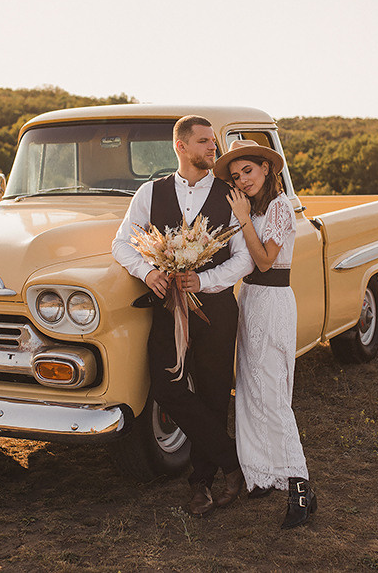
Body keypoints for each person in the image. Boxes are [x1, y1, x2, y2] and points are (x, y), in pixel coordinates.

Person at [111, 115, 253, 517]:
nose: (213, 147)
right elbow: (121, 244)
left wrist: (204, 280)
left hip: (216, 310)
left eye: (213, 141)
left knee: (213, 393)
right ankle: (232, 461)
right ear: (182, 146)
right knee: (167, 387)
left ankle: (202, 484)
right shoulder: (150, 192)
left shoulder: (230, 195)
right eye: (205, 141)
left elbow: (244, 258)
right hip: (167, 308)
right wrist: (148, 272)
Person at [212, 139, 317, 529]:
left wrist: (242, 219)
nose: (243, 180)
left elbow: (265, 260)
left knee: (272, 394)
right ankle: (261, 474)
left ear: (266, 168)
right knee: (250, 390)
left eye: (248, 170)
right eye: (236, 176)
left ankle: (300, 486)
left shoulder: (279, 207)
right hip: (250, 299)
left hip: (273, 302)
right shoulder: (253, 209)